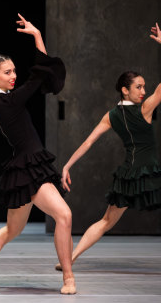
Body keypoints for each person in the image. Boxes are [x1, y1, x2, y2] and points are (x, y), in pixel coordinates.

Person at [0, 14, 75, 294]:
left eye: (14, 71)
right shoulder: (13, 99)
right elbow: (43, 72)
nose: (14, 76)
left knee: (12, 230)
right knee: (64, 215)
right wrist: (37, 36)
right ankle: (68, 278)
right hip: (31, 167)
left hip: (19, 169)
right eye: (7, 72)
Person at [56, 23, 161, 270]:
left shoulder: (111, 115)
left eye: (144, 87)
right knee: (105, 221)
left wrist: (67, 165)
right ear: (125, 90)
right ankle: (68, 259)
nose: (143, 91)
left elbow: (89, 141)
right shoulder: (145, 110)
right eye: (139, 87)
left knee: (105, 221)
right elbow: (89, 142)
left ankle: (69, 259)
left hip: (129, 174)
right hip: (148, 173)